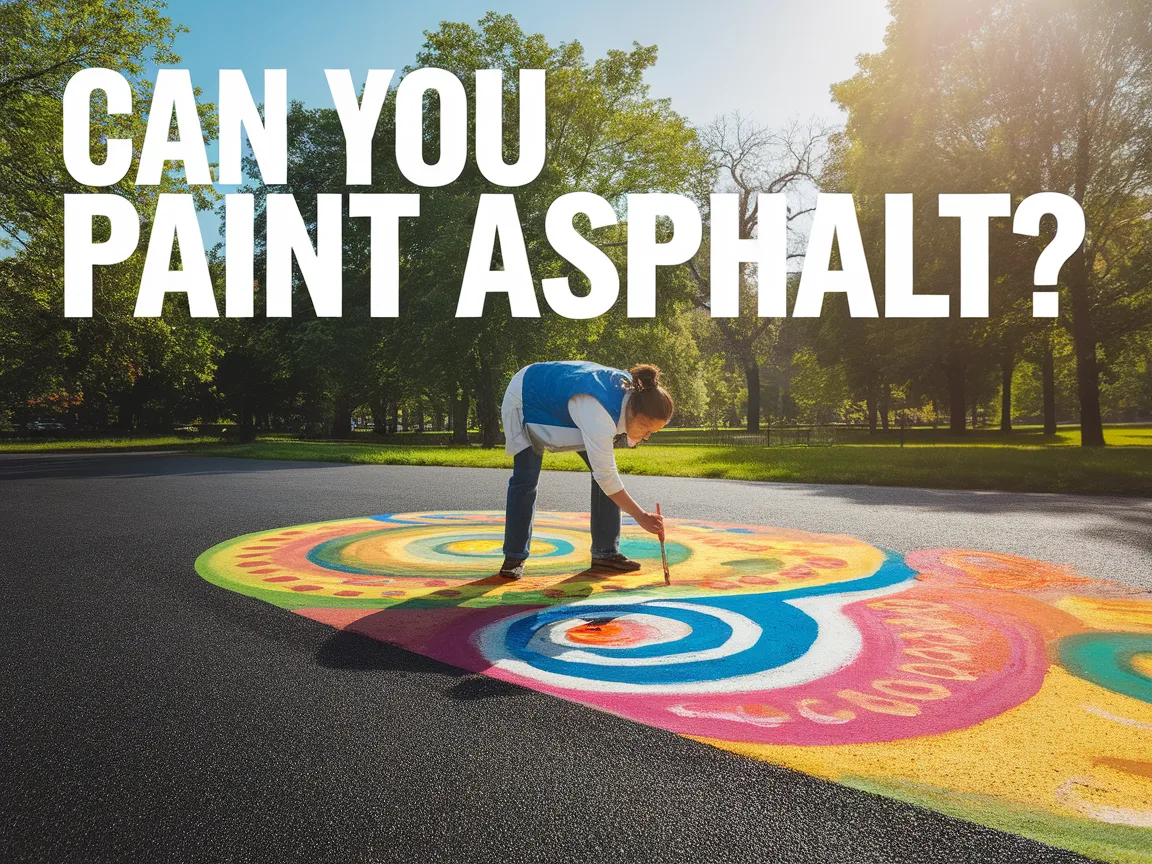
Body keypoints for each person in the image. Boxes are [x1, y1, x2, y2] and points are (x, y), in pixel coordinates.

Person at [498, 360, 673, 578]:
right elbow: (606, 476)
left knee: (604, 474)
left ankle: (605, 554)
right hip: (527, 395)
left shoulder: (635, 394)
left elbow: (606, 475)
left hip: (566, 404)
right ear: (634, 412)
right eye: (646, 428)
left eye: (652, 432)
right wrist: (641, 516)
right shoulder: (598, 413)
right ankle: (514, 556)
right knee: (526, 477)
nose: (647, 436)